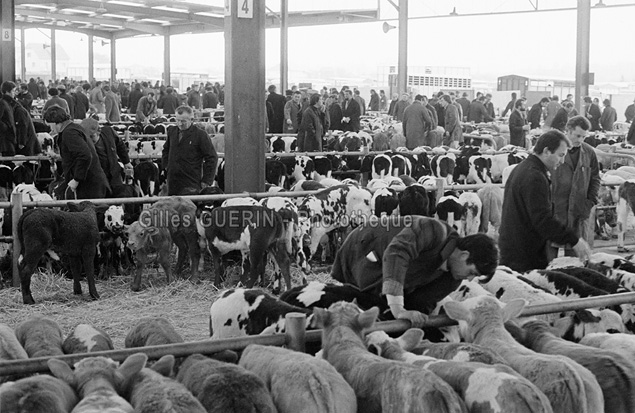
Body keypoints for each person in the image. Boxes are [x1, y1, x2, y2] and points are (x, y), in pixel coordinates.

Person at [331, 215, 499, 326]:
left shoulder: (452, 280)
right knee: (349, 302)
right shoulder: (433, 230)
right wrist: (398, 309)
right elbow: (396, 253)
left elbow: (420, 302)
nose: (469, 279)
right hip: (362, 249)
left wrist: (413, 316)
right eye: (472, 272)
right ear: (464, 255)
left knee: (376, 309)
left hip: (384, 278)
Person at [499, 130, 592, 272]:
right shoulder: (535, 176)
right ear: (547, 151)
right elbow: (542, 220)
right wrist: (574, 240)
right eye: (560, 155)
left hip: (513, 248)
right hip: (524, 255)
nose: (562, 161)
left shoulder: (523, 168)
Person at [550, 115, 600, 258]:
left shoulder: (589, 152)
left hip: (579, 212)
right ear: (568, 130)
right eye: (578, 136)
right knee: (546, 260)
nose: (580, 140)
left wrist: (590, 201)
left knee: (576, 261)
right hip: (554, 212)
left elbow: (595, 178)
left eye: (583, 137)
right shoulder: (552, 149)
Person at [43, 105, 109, 199]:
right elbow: (77, 154)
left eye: (50, 125)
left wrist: (76, 179)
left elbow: (85, 155)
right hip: (93, 181)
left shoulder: (69, 133)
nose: (51, 129)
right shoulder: (74, 128)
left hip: (88, 185)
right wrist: (57, 156)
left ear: (56, 122)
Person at [162, 105, 217, 196]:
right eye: (177, 120)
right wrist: (165, 167)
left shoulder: (200, 135)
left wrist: (206, 180)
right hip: (173, 181)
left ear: (192, 119)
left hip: (191, 182)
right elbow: (166, 150)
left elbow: (212, 157)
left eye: (183, 121)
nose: (180, 124)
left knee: (190, 208)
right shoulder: (171, 131)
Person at [80, 118, 132, 195]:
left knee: (118, 199)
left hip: (114, 175)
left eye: (91, 137)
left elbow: (120, 145)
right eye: (86, 137)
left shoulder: (109, 132)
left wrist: (126, 162)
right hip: (96, 181)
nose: (89, 140)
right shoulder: (82, 145)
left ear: (99, 131)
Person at [1, 81, 40, 156]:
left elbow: (22, 125)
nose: (14, 93)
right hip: (22, 142)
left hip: (23, 142)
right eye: (13, 91)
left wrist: (21, 142)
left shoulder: (17, 109)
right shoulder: (8, 105)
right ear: (7, 92)